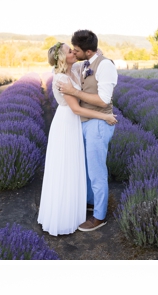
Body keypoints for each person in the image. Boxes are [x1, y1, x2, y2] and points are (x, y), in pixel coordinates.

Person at [39, 42, 116, 236]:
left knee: (77, 166)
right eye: (69, 50)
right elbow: (76, 108)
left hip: (76, 123)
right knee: (67, 166)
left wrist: (96, 53)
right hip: (68, 122)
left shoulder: (76, 69)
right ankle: (66, 212)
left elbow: (93, 59)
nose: (73, 51)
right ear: (62, 58)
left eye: (74, 49)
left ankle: (82, 205)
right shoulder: (62, 78)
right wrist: (105, 116)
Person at [57, 30, 118, 232]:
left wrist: (74, 92)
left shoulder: (105, 66)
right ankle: (91, 203)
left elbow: (103, 100)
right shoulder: (85, 62)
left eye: (76, 50)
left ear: (87, 51)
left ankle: (99, 216)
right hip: (83, 122)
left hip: (98, 124)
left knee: (96, 171)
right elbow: (61, 64)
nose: (73, 53)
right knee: (85, 168)